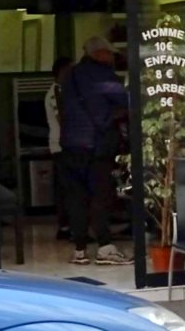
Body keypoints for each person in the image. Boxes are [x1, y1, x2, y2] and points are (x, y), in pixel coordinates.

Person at [61, 37, 133, 266]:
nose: (112, 58)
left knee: (76, 199)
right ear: (100, 53)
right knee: (100, 196)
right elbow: (126, 99)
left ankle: (79, 250)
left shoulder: (70, 75)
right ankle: (105, 247)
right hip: (96, 145)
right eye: (109, 53)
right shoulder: (102, 74)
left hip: (70, 145)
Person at [44, 57, 73, 241]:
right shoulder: (56, 93)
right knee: (66, 187)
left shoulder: (63, 91)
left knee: (67, 187)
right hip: (61, 145)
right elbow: (62, 118)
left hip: (64, 144)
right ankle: (65, 225)